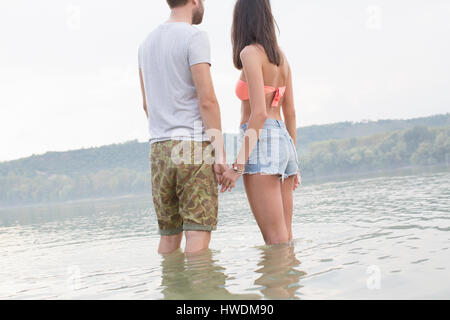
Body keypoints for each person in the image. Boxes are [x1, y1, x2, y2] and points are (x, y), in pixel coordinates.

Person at [138, 0, 228, 254]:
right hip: (192, 146)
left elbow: (147, 105)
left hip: (158, 149)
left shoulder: (145, 44)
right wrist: (219, 153)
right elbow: (207, 100)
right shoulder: (194, 37)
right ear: (194, 1)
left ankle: (172, 291)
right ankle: (199, 290)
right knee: (197, 234)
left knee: (168, 236)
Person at [220, 0, 301, 245]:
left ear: (241, 21)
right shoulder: (281, 58)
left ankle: (275, 283)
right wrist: (294, 163)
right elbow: (291, 112)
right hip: (284, 144)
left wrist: (237, 167)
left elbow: (259, 114)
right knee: (285, 239)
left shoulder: (249, 54)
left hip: (262, 142)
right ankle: (287, 283)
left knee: (275, 242)